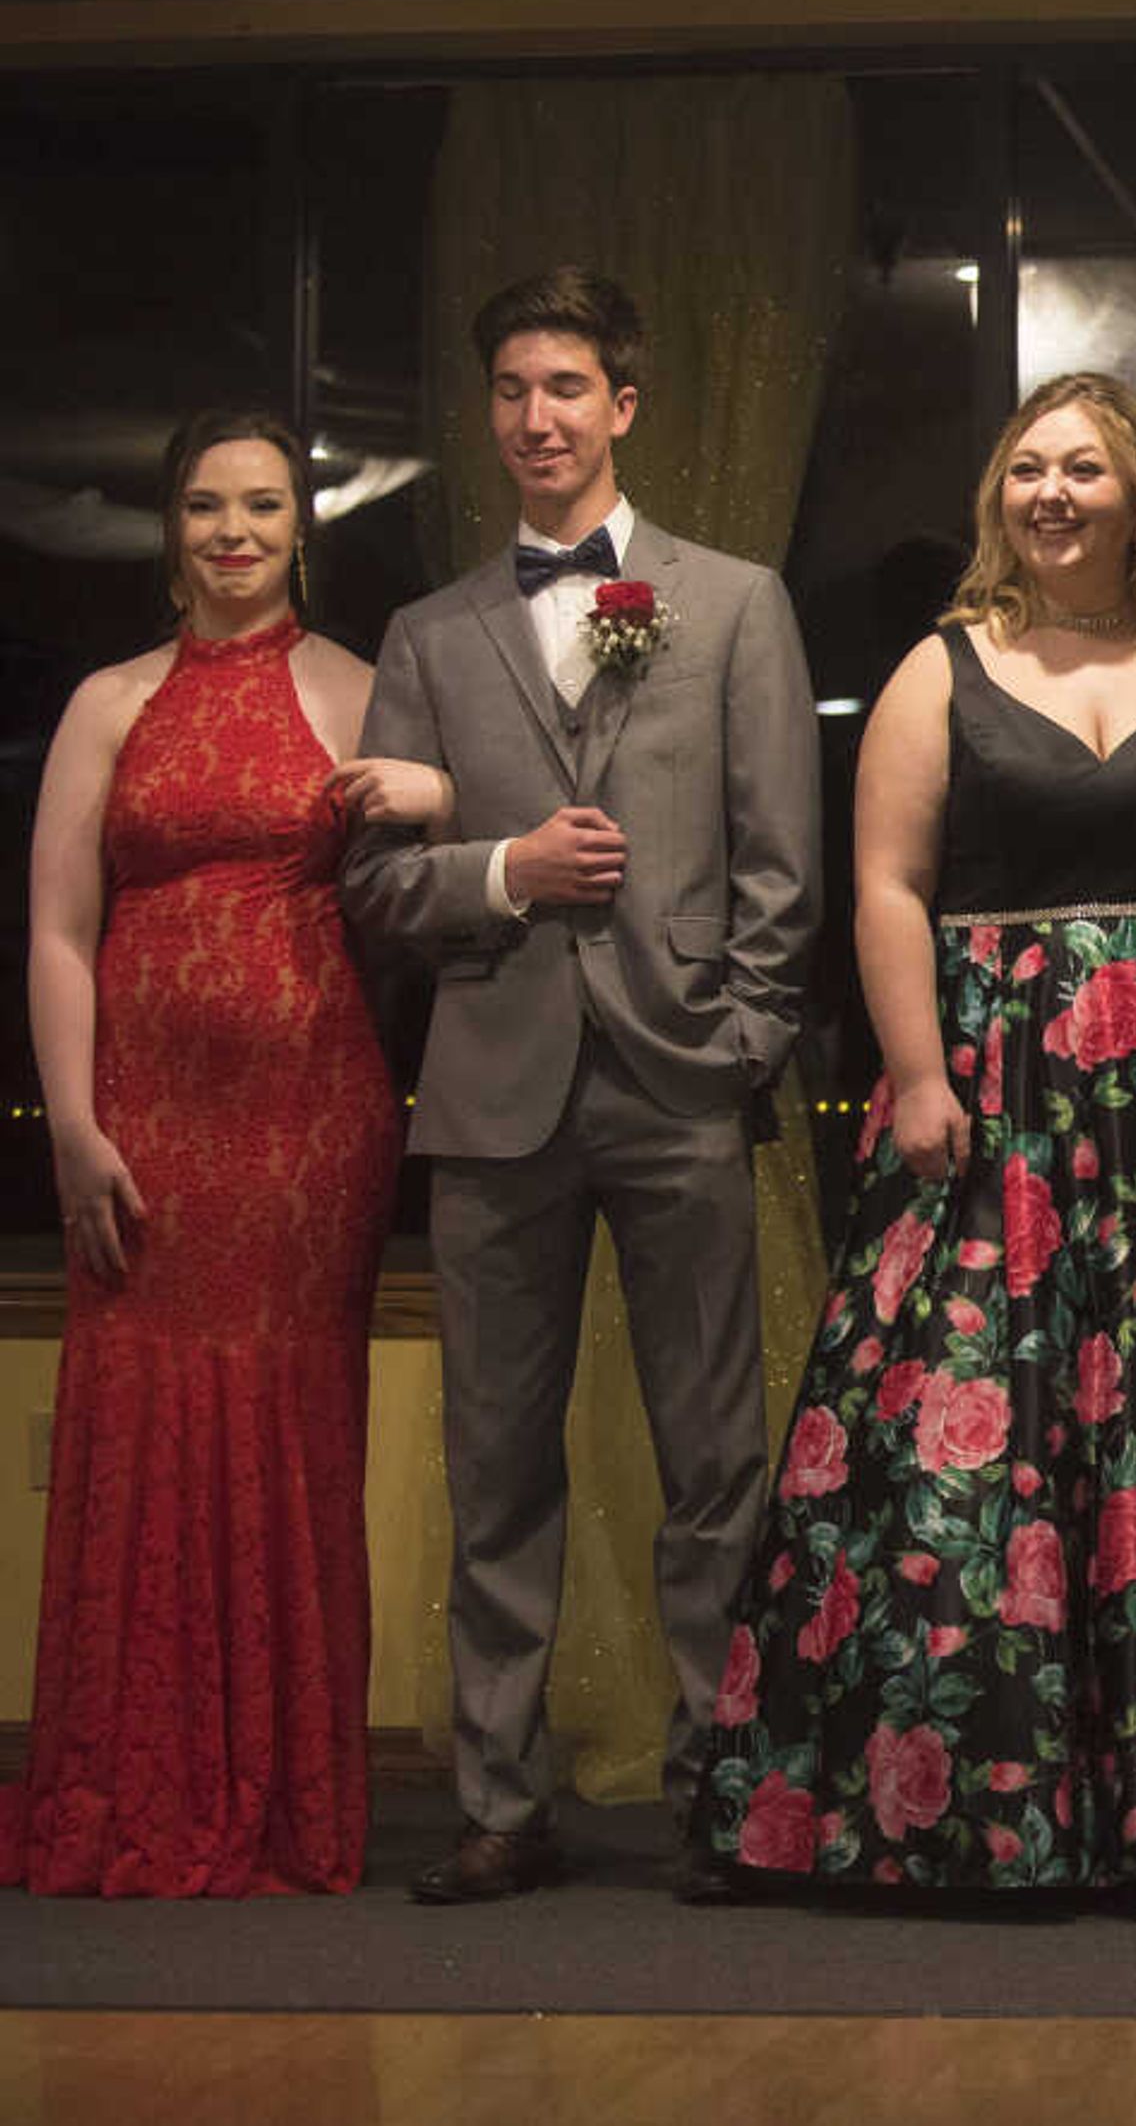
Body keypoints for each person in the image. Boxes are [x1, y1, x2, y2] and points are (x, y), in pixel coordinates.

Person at [701, 374, 1136, 1890]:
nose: (1051, 493)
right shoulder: (943, 668)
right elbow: (885, 888)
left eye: (1085, 469)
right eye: (1028, 469)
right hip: (995, 1091)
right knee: (970, 1434)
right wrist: (914, 1074)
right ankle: (963, 1803)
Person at [342, 268, 820, 1905]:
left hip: (682, 1075)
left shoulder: (734, 601)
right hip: (491, 1092)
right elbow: (378, 893)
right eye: (511, 392)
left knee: (713, 1457)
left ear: (625, 406)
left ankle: (718, 1781)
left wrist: (748, 1040)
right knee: (497, 1462)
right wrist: (501, 869)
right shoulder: (431, 632)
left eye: (565, 389)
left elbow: (781, 864)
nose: (535, 418)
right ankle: (498, 1797)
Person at [4, 414, 418, 1896]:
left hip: (313, 1125)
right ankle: (137, 1777)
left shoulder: (366, 691)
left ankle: (281, 1799)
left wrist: (439, 797)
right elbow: (57, 930)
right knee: (144, 1422)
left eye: (260, 506)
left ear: (302, 528)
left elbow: (459, 873)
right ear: (170, 528)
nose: (232, 530)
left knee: (287, 1432)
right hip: (143, 1121)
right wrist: (71, 1121)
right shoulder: (110, 702)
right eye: (202, 505)